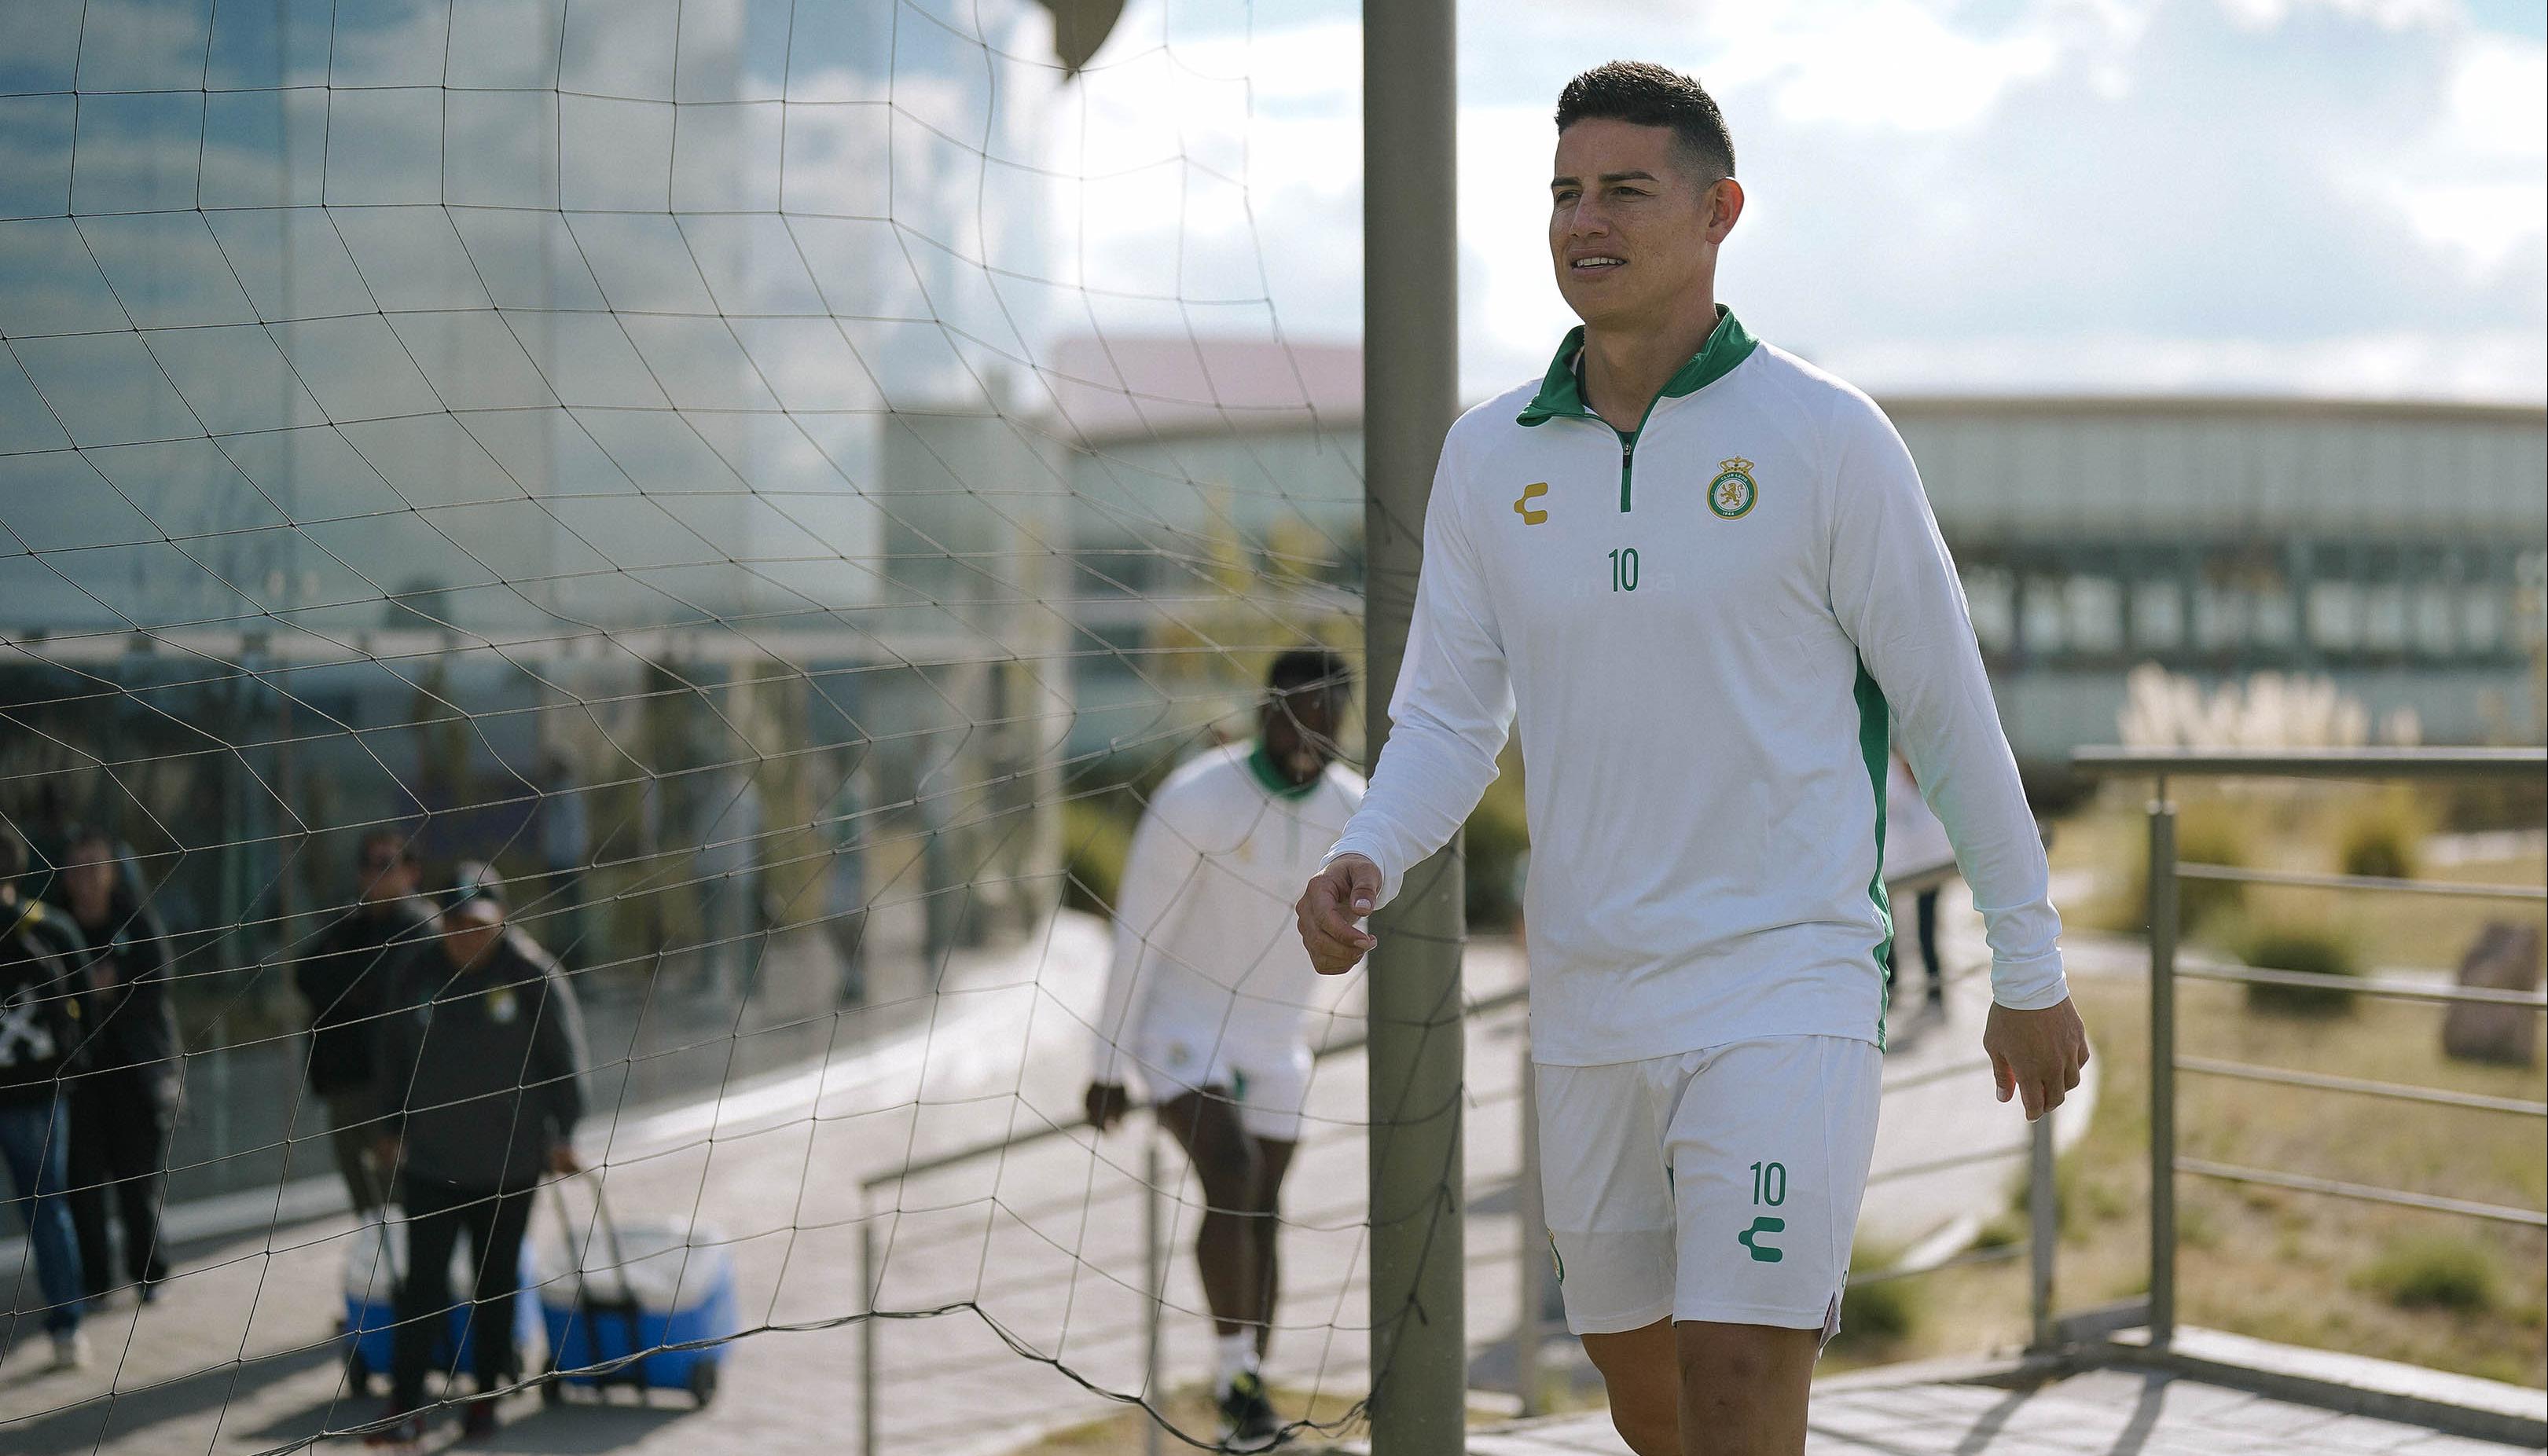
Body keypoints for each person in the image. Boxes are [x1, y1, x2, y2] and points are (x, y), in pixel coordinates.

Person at [1294, 64, 2091, 1456]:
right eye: (1561, 191)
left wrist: (2026, 968)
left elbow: (1947, 709)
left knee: (1737, 1368)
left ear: (1718, 210)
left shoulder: (1826, 438)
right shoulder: (1488, 458)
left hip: (1783, 977)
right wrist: (1364, 848)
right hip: (1590, 996)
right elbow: (1445, 715)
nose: (1580, 219)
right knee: (1644, 1389)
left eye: (1621, 189)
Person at [1084, 649, 1364, 1449]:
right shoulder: (1195, 797)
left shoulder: (1356, 807)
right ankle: (1233, 1372)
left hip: (1276, 1033)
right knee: (1231, 1169)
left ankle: (1250, 1395)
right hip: (1180, 1023)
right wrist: (1106, 1065)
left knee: (1265, 1206)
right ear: (1261, 711)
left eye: (1328, 712)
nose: (1310, 728)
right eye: (1294, 710)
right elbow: (1135, 931)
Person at [369, 872, 586, 1447]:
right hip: (432, 1163)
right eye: (455, 923)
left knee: (495, 1286)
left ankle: (486, 1400)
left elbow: (565, 1063)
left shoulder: (533, 975)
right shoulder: (414, 973)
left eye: (478, 924)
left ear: (501, 920)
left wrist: (565, 1132)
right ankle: (404, 1404)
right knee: (423, 1287)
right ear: (441, 922)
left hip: (508, 1165)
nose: (466, 936)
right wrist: (390, 1125)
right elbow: (391, 1056)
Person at [58, 830, 181, 1303]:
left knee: (139, 1184)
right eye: (77, 867)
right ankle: (95, 1282)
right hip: (78, 1081)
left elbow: (160, 982)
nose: (86, 878)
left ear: (111, 871)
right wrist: (92, 989)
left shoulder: (135, 920)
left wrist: (112, 987)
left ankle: (149, 1272)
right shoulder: (58, 927)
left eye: (95, 866)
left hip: (134, 1076)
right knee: (83, 1188)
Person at [294, 832, 435, 1216]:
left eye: (386, 864)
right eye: (367, 865)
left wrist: (349, 984)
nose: (375, 874)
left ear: (412, 871)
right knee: (366, 1204)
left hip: (393, 1088)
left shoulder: (421, 927)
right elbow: (306, 976)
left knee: (401, 1197)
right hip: (344, 1084)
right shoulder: (349, 923)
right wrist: (353, 986)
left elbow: (391, 990)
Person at [0, 826, 90, 1370]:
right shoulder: (49, 923)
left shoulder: (44, 927)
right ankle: (68, 1327)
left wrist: (71, 1067)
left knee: (47, 1208)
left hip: (35, 1094)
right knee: (48, 1208)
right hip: (39, 1089)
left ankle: (68, 1323)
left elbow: (83, 1003)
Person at [1884, 750, 1956, 1015]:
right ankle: (1891, 987)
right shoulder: (1888, 777)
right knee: (1887, 930)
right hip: (1892, 868)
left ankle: (1935, 987)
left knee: (1927, 928)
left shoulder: (1931, 778)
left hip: (1930, 865)